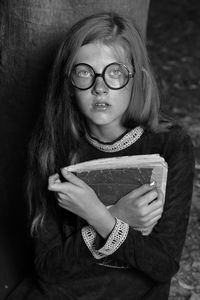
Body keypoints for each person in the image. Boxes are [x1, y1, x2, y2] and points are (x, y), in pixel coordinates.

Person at [10, 12, 194, 300]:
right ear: (69, 84)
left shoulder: (171, 145)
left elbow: (162, 266)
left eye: (115, 72)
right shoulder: (52, 146)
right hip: (65, 292)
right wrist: (118, 217)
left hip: (135, 292)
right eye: (85, 72)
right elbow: (48, 269)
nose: (100, 87)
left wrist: (99, 216)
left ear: (138, 79)